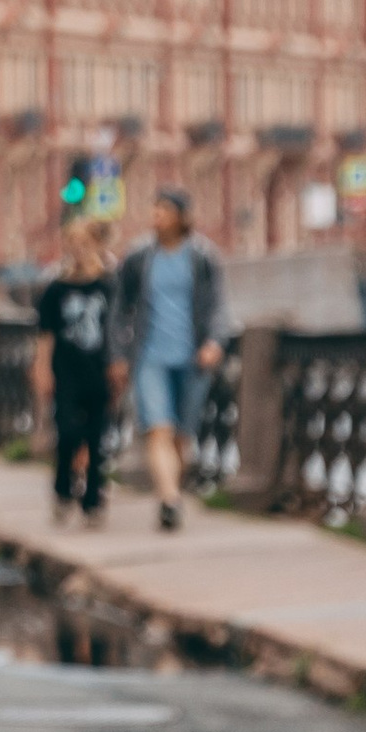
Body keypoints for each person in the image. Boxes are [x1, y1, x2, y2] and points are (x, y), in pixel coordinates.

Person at [112, 187, 228, 532]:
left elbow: (220, 305)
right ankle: (169, 500)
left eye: (164, 210)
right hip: (150, 356)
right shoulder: (138, 257)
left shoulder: (203, 256)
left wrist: (214, 342)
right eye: (155, 210)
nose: (156, 216)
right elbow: (120, 308)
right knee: (157, 429)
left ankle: (172, 491)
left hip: (193, 358)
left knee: (181, 436)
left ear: (181, 216)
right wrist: (119, 353)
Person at [31, 221, 115, 525]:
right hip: (66, 371)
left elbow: (119, 331)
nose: (78, 249)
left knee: (97, 436)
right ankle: (63, 487)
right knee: (67, 432)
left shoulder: (108, 286)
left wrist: (121, 366)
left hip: (100, 370)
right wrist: (41, 368)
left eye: (85, 242)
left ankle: (93, 498)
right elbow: (46, 333)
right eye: (73, 242)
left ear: (97, 244)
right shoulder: (56, 288)